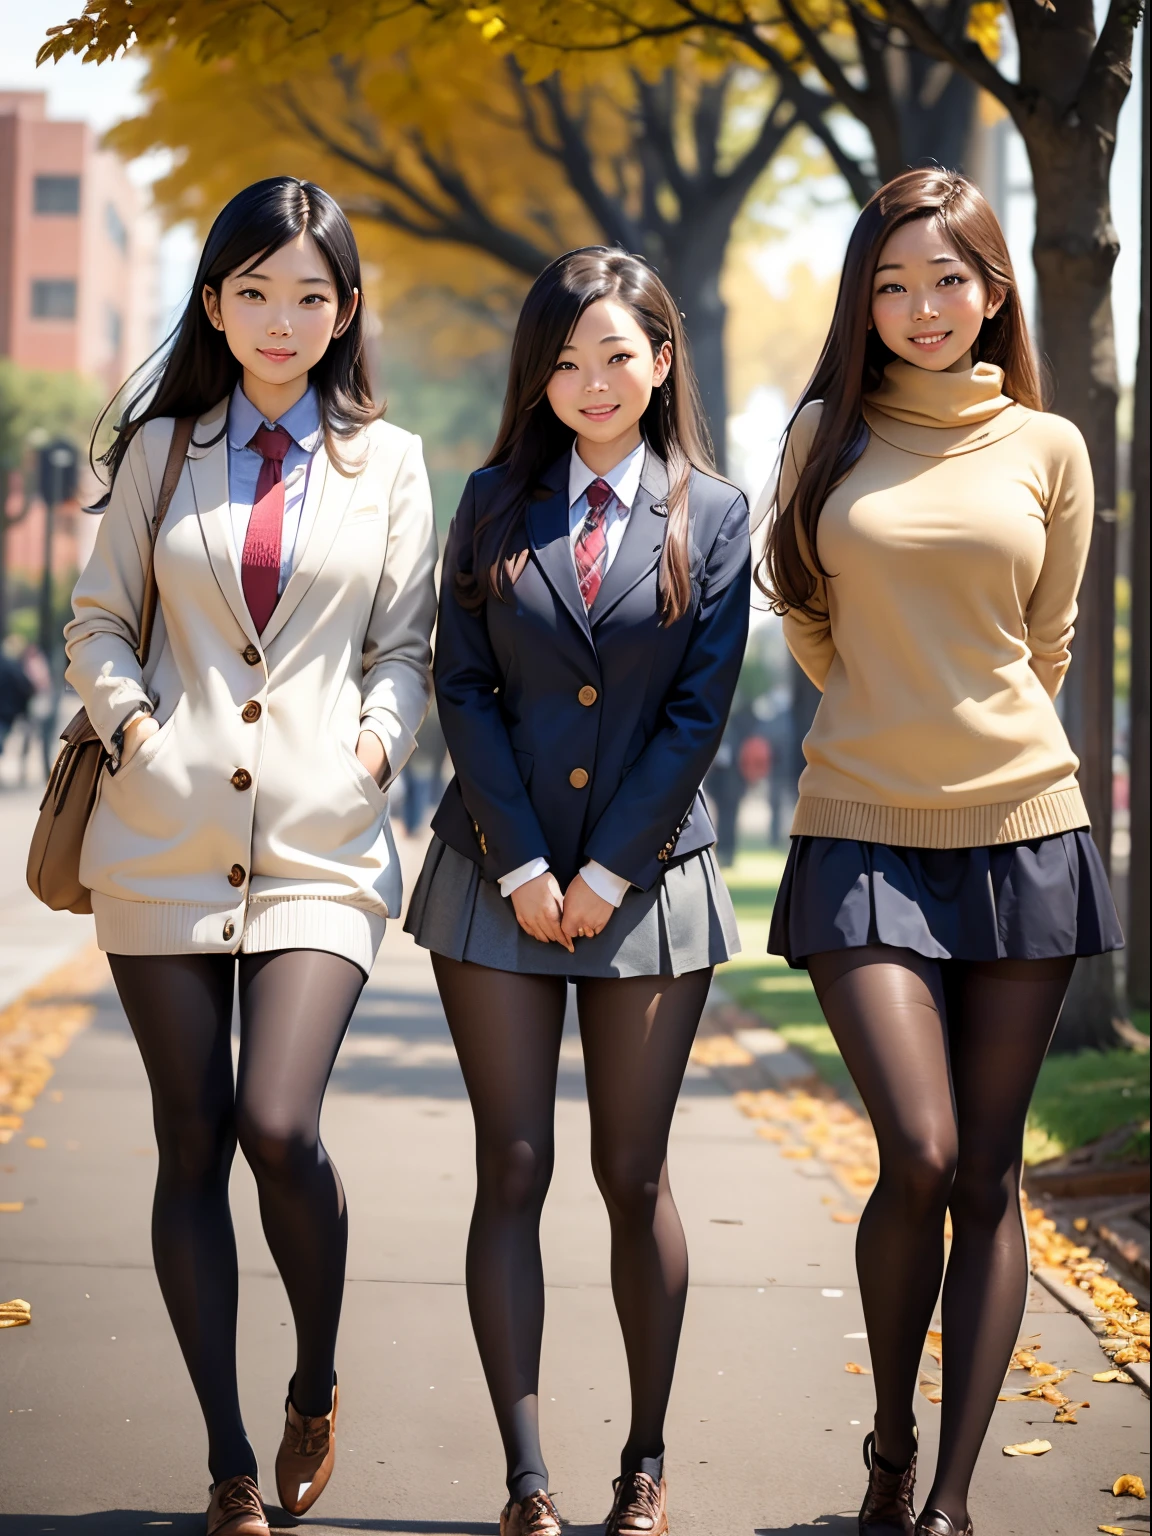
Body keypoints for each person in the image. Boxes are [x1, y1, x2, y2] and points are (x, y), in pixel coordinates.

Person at [63, 177, 437, 1536]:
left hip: (323, 850)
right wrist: (140, 730)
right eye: (256, 293)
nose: (283, 322)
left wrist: (373, 758)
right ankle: (229, 1461)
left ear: (346, 313)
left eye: (311, 296)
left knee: (278, 1125)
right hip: (160, 840)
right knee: (191, 1138)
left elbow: (406, 651)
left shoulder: (387, 465)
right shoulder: (164, 447)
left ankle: (316, 1377)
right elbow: (97, 622)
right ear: (214, 303)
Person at [757, 168, 1122, 1536]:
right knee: (915, 1150)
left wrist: (974, 715)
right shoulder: (823, 440)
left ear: (995, 291)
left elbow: (1049, 641)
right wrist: (884, 702)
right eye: (892, 284)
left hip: (1023, 832)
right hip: (860, 829)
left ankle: (951, 1500)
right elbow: (802, 607)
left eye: (947, 280)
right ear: (863, 300)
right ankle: (893, 1437)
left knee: (989, 1170)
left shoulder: (1050, 449)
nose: (921, 307)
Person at [405, 248, 750, 1536]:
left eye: (616, 355)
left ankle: (643, 1464)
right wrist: (528, 863)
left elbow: (699, 711)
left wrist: (604, 867)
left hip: (648, 882)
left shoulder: (715, 514)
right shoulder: (493, 499)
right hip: (496, 876)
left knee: (632, 1169)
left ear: (662, 362)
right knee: (513, 1161)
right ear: (535, 375)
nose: (591, 381)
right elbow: (462, 686)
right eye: (564, 359)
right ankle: (527, 1479)